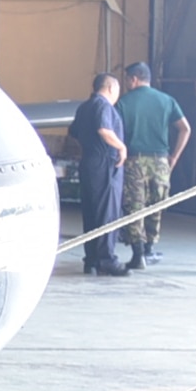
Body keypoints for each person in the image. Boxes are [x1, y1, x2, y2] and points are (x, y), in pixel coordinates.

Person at [115, 63, 189, 268]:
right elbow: (185, 129)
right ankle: (149, 250)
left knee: (134, 206)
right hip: (161, 160)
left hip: (134, 160)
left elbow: (114, 132)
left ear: (133, 79)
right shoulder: (167, 100)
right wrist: (173, 157)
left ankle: (137, 254)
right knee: (156, 205)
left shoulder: (123, 103)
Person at [68, 73, 129, 277]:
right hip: (104, 163)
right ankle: (106, 259)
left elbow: (74, 131)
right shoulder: (103, 106)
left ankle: (92, 259)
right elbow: (104, 130)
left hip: (89, 162)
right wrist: (121, 147)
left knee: (92, 212)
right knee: (107, 212)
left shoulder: (84, 107)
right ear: (111, 88)